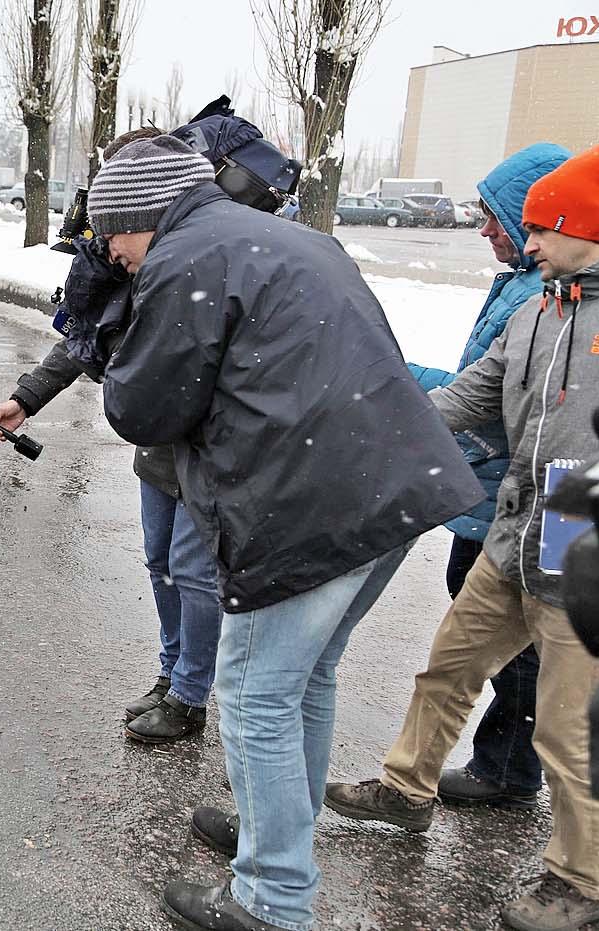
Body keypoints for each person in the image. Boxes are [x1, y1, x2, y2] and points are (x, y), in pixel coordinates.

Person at [92, 135, 482, 931]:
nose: (110, 253)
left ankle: (271, 896)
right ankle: (278, 832)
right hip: (390, 487)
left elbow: (140, 409)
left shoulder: (183, 260)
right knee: (304, 678)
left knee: (255, 694)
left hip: (307, 504)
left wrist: (108, 323)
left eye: (111, 236)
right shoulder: (290, 238)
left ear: (139, 217)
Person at [325, 142, 599, 931]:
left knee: (568, 724)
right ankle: (404, 788)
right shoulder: (537, 310)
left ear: (585, 227)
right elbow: (471, 395)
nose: (528, 242)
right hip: (515, 527)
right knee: (447, 667)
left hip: (585, 533)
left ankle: (581, 881)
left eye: (541, 229)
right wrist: (379, 420)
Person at [0, 113, 300, 745]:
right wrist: (27, 398)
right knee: (162, 562)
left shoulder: (194, 259)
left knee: (193, 569)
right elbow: (91, 335)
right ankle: (170, 674)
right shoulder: (124, 258)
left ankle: (189, 694)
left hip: (213, 447)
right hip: (160, 444)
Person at [405, 143, 569, 808]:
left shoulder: (557, 301)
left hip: (544, 504)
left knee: (531, 648)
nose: (488, 231)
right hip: (505, 493)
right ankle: (412, 781)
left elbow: (509, 404)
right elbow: (483, 387)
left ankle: (509, 771)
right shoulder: (532, 292)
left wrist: (396, 382)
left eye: (498, 217)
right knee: (464, 646)